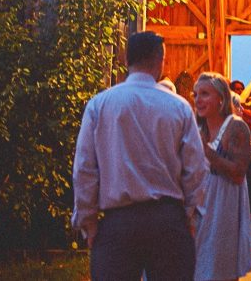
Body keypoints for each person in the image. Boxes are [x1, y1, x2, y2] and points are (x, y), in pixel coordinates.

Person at [72, 32, 206, 281]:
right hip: (167, 221)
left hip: (118, 223)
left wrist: (88, 220)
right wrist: (189, 213)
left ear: (126, 60)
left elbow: (85, 168)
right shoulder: (178, 107)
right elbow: (195, 169)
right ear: (160, 59)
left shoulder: (100, 105)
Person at [192, 73, 251, 281]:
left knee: (219, 264)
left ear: (221, 98)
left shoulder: (235, 127)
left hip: (223, 201)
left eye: (205, 94)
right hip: (198, 202)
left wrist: (207, 152)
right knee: (196, 264)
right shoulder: (197, 127)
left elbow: (238, 173)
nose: (198, 100)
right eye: (196, 95)